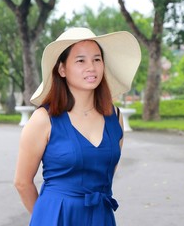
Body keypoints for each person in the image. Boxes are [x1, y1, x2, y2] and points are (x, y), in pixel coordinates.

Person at [14, 27, 141, 225]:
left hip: (101, 216)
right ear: (62, 69)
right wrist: (46, 217)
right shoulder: (43, 120)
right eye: (81, 60)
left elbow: (107, 172)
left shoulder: (114, 117)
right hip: (57, 217)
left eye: (97, 59)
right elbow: (22, 182)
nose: (91, 67)